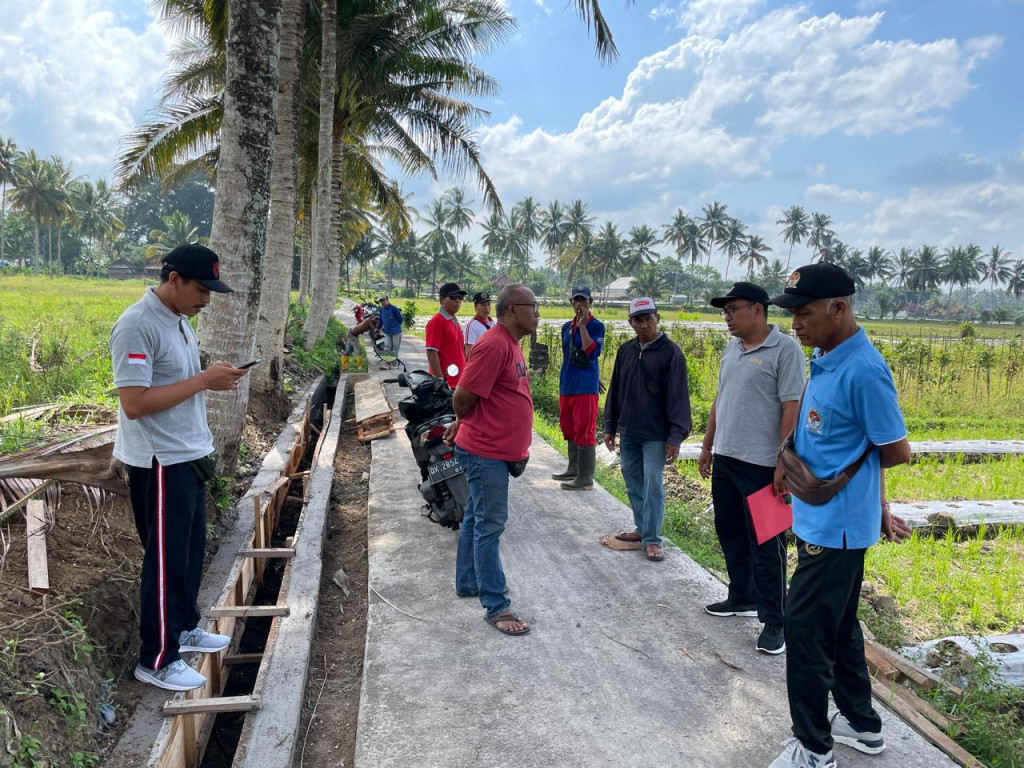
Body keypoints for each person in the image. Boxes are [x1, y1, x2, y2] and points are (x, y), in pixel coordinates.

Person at [767, 263, 912, 768]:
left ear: (839, 308)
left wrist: (873, 502)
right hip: (817, 518)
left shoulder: (864, 371)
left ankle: (813, 748)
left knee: (805, 631)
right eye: (793, 315)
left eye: (804, 314)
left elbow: (894, 450)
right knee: (841, 625)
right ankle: (862, 724)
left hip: (838, 530)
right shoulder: (826, 357)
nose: (795, 325)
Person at [110, 244, 250, 692]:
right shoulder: (137, 325)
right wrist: (204, 380)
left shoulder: (179, 321)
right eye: (200, 289)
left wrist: (210, 377)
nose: (206, 298)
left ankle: (184, 628)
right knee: (165, 562)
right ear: (173, 279)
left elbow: (177, 384)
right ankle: (156, 658)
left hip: (188, 455)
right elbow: (134, 403)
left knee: (188, 552)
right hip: (160, 462)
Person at [698, 282, 805, 656]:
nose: (727, 317)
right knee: (730, 532)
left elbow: (791, 407)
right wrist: (708, 445)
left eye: (733, 309)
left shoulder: (786, 350)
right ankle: (741, 596)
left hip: (762, 466)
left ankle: (775, 621)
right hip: (727, 458)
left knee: (768, 545)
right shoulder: (732, 349)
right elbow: (721, 398)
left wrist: (783, 460)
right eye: (724, 312)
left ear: (758, 309)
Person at [445, 284, 538, 636]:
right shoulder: (495, 344)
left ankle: (470, 581)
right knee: (490, 525)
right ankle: (496, 604)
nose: (537, 312)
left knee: (475, 517)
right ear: (512, 309)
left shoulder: (510, 343)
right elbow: (462, 397)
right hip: (485, 452)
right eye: (532, 305)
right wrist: (464, 421)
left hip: (493, 449)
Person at [602, 297, 691, 562]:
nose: (643, 325)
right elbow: (615, 389)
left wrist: (676, 436)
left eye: (648, 319)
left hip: (656, 434)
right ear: (630, 322)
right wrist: (610, 426)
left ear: (657, 318)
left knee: (653, 484)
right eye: (637, 320)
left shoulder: (671, 353)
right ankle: (642, 528)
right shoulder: (626, 350)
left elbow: (679, 397)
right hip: (629, 430)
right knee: (633, 481)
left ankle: (652, 539)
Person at [552, 285, 605, 491]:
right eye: (575, 300)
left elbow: (591, 352)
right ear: (571, 303)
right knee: (568, 427)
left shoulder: (596, 326)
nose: (579, 304)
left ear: (590, 302)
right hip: (567, 383)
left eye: (583, 300)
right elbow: (569, 355)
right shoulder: (566, 327)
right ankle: (573, 468)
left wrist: (583, 327)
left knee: (584, 430)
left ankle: (585, 477)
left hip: (584, 386)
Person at [425, 282, 467, 387]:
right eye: (453, 297)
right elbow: (431, 352)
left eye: (460, 297)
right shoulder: (437, 321)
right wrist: (440, 380)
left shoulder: (454, 321)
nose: (457, 301)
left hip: (459, 381)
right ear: (442, 299)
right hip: (446, 384)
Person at [463, 291, 495, 358]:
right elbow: (468, 354)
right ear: (475, 307)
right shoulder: (472, 326)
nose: (487, 307)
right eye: (483, 305)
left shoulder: (493, 324)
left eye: (488, 304)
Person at [376, 295, 404, 369]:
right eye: (381, 301)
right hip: (387, 332)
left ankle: (393, 362)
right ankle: (387, 363)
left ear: (387, 300)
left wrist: (395, 326)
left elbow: (400, 320)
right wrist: (377, 328)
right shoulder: (382, 310)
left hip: (396, 332)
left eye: (383, 300)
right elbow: (381, 320)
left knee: (395, 347)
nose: (382, 302)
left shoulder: (394, 309)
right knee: (387, 347)